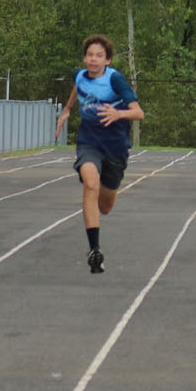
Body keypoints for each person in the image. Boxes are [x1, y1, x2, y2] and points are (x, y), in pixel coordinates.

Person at [54, 35, 145, 274]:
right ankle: (94, 249)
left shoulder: (114, 80)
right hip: (89, 142)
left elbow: (139, 113)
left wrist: (118, 114)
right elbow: (77, 88)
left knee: (105, 206)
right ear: (85, 58)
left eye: (99, 56)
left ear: (108, 60)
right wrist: (66, 110)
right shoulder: (80, 75)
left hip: (115, 147)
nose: (93, 59)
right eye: (90, 55)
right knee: (90, 183)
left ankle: (106, 193)